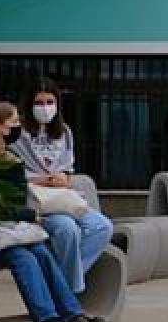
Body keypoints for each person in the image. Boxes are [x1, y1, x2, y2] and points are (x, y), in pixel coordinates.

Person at [0, 101, 105, 322]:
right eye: (14, 123)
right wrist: (28, 215)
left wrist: (25, 213)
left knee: (43, 254)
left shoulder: (11, 160)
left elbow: (14, 199)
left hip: (12, 228)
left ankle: (73, 317)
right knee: (25, 259)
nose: (19, 127)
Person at [9, 78, 114, 297]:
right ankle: (70, 295)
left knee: (102, 226)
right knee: (67, 230)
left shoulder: (64, 132)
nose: (45, 108)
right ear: (28, 104)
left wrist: (63, 178)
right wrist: (42, 180)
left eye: (50, 101)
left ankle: (59, 284)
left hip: (62, 199)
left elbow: (67, 167)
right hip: (36, 203)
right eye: (39, 102)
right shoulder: (16, 135)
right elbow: (10, 175)